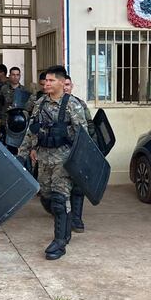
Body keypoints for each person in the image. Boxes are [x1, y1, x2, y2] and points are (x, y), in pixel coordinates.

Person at [18, 65, 87, 260]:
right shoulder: (40, 103)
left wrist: (78, 162)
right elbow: (32, 130)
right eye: (46, 81)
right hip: (43, 158)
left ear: (60, 82)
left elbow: (83, 136)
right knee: (46, 197)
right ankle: (65, 229)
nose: (46, 84)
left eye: (50, 81)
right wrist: (23, 154)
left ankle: (59, 242)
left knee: (58, 200)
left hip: (63, 160)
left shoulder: (72, 104)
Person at [63, 74, 96, 233]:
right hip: (57, 153)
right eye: (63, 84)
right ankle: (63, 216)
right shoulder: (47, 104)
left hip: (76, 151)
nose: (65, 87)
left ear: (71, 86)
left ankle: (76, 218)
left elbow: (89, 126)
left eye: (68, 84)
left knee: (77, 187)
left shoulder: (80, 104)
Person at [0, 66, 26, 145]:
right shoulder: (4, 89)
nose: (15, 77)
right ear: (9, 76)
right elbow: (0, 105)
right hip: (5, 121)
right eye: (13, 75)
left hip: (19, 123)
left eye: (17, 75)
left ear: (20, 76)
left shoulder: (24, 90)